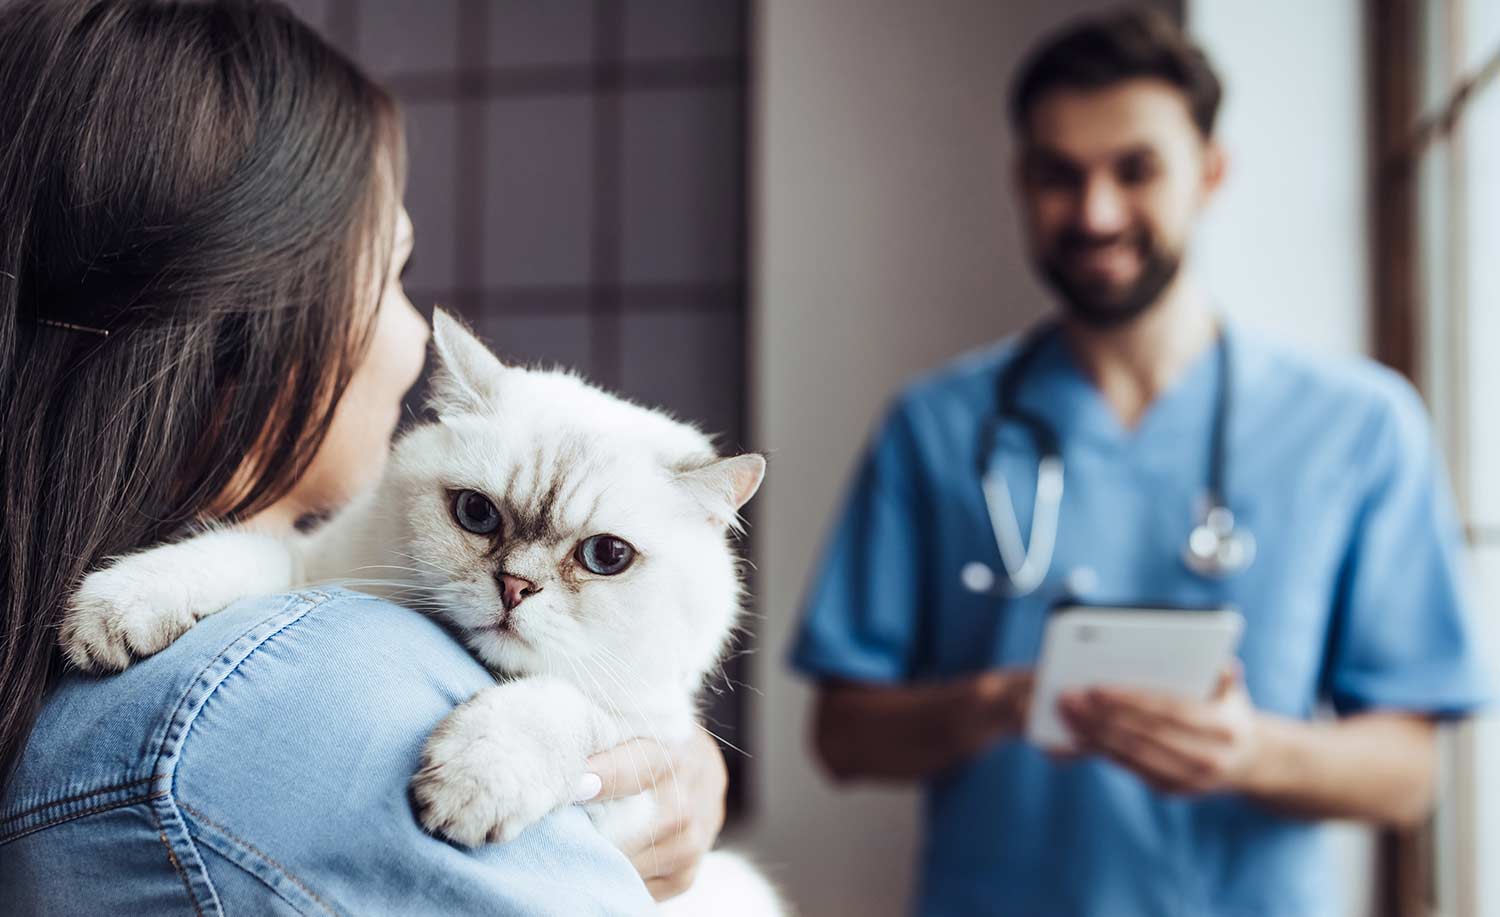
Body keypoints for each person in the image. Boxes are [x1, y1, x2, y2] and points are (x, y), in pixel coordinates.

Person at [0, 1, 724, 912]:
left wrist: (658, 745)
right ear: (242, 327)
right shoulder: (315, 689)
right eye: (393, 273)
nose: (421, 333)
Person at [789, 7, 1492, 916]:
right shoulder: (934, 426)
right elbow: (842, 736)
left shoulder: (1357, 427)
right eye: (1058, 176)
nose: (1096, 212)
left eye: (1136, 169)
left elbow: (1408, 775)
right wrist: (1001, 703)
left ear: (1212, 171)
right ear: (1019, 181)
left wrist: (1249, 753)